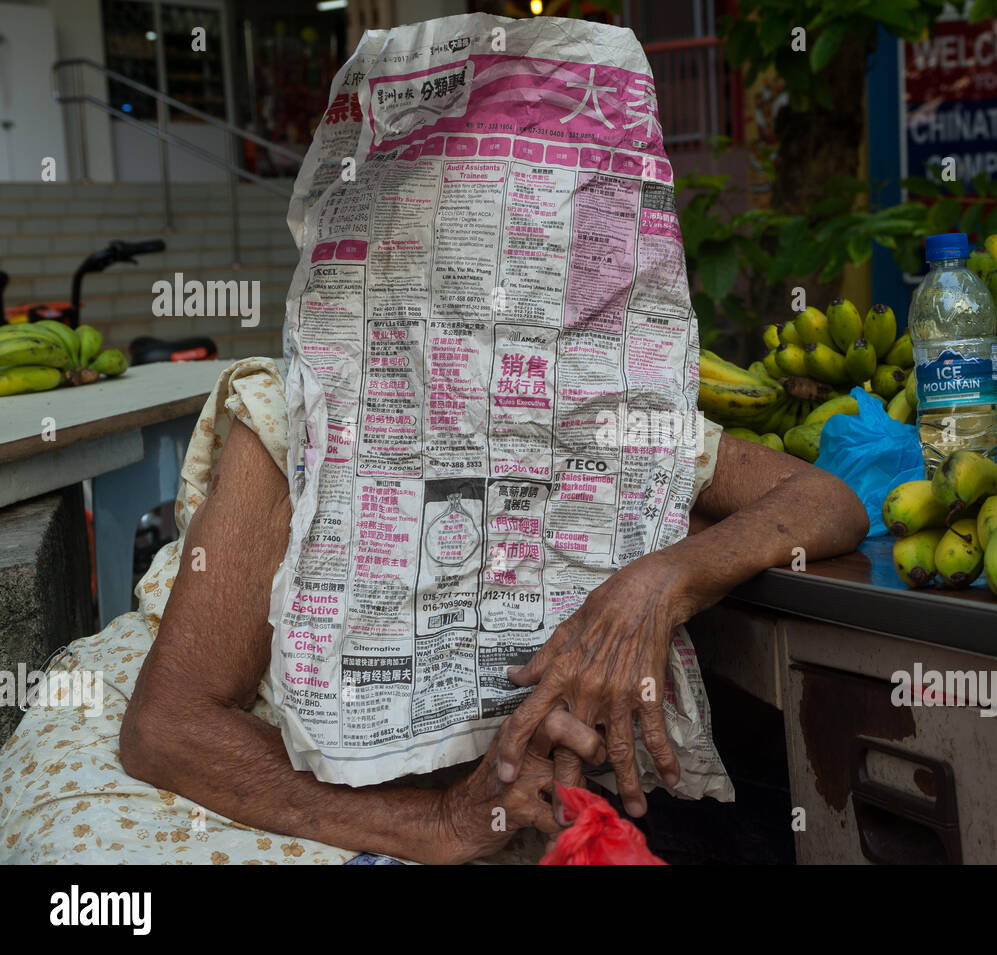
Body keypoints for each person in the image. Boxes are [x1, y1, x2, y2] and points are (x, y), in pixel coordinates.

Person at [0, 358, 867, 864]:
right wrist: (440, 821)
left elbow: (823, 499)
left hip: (430, 793)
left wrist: (659, 582)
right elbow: (168, 730)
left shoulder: (594, 402)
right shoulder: (300, 410)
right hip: (177, 770)